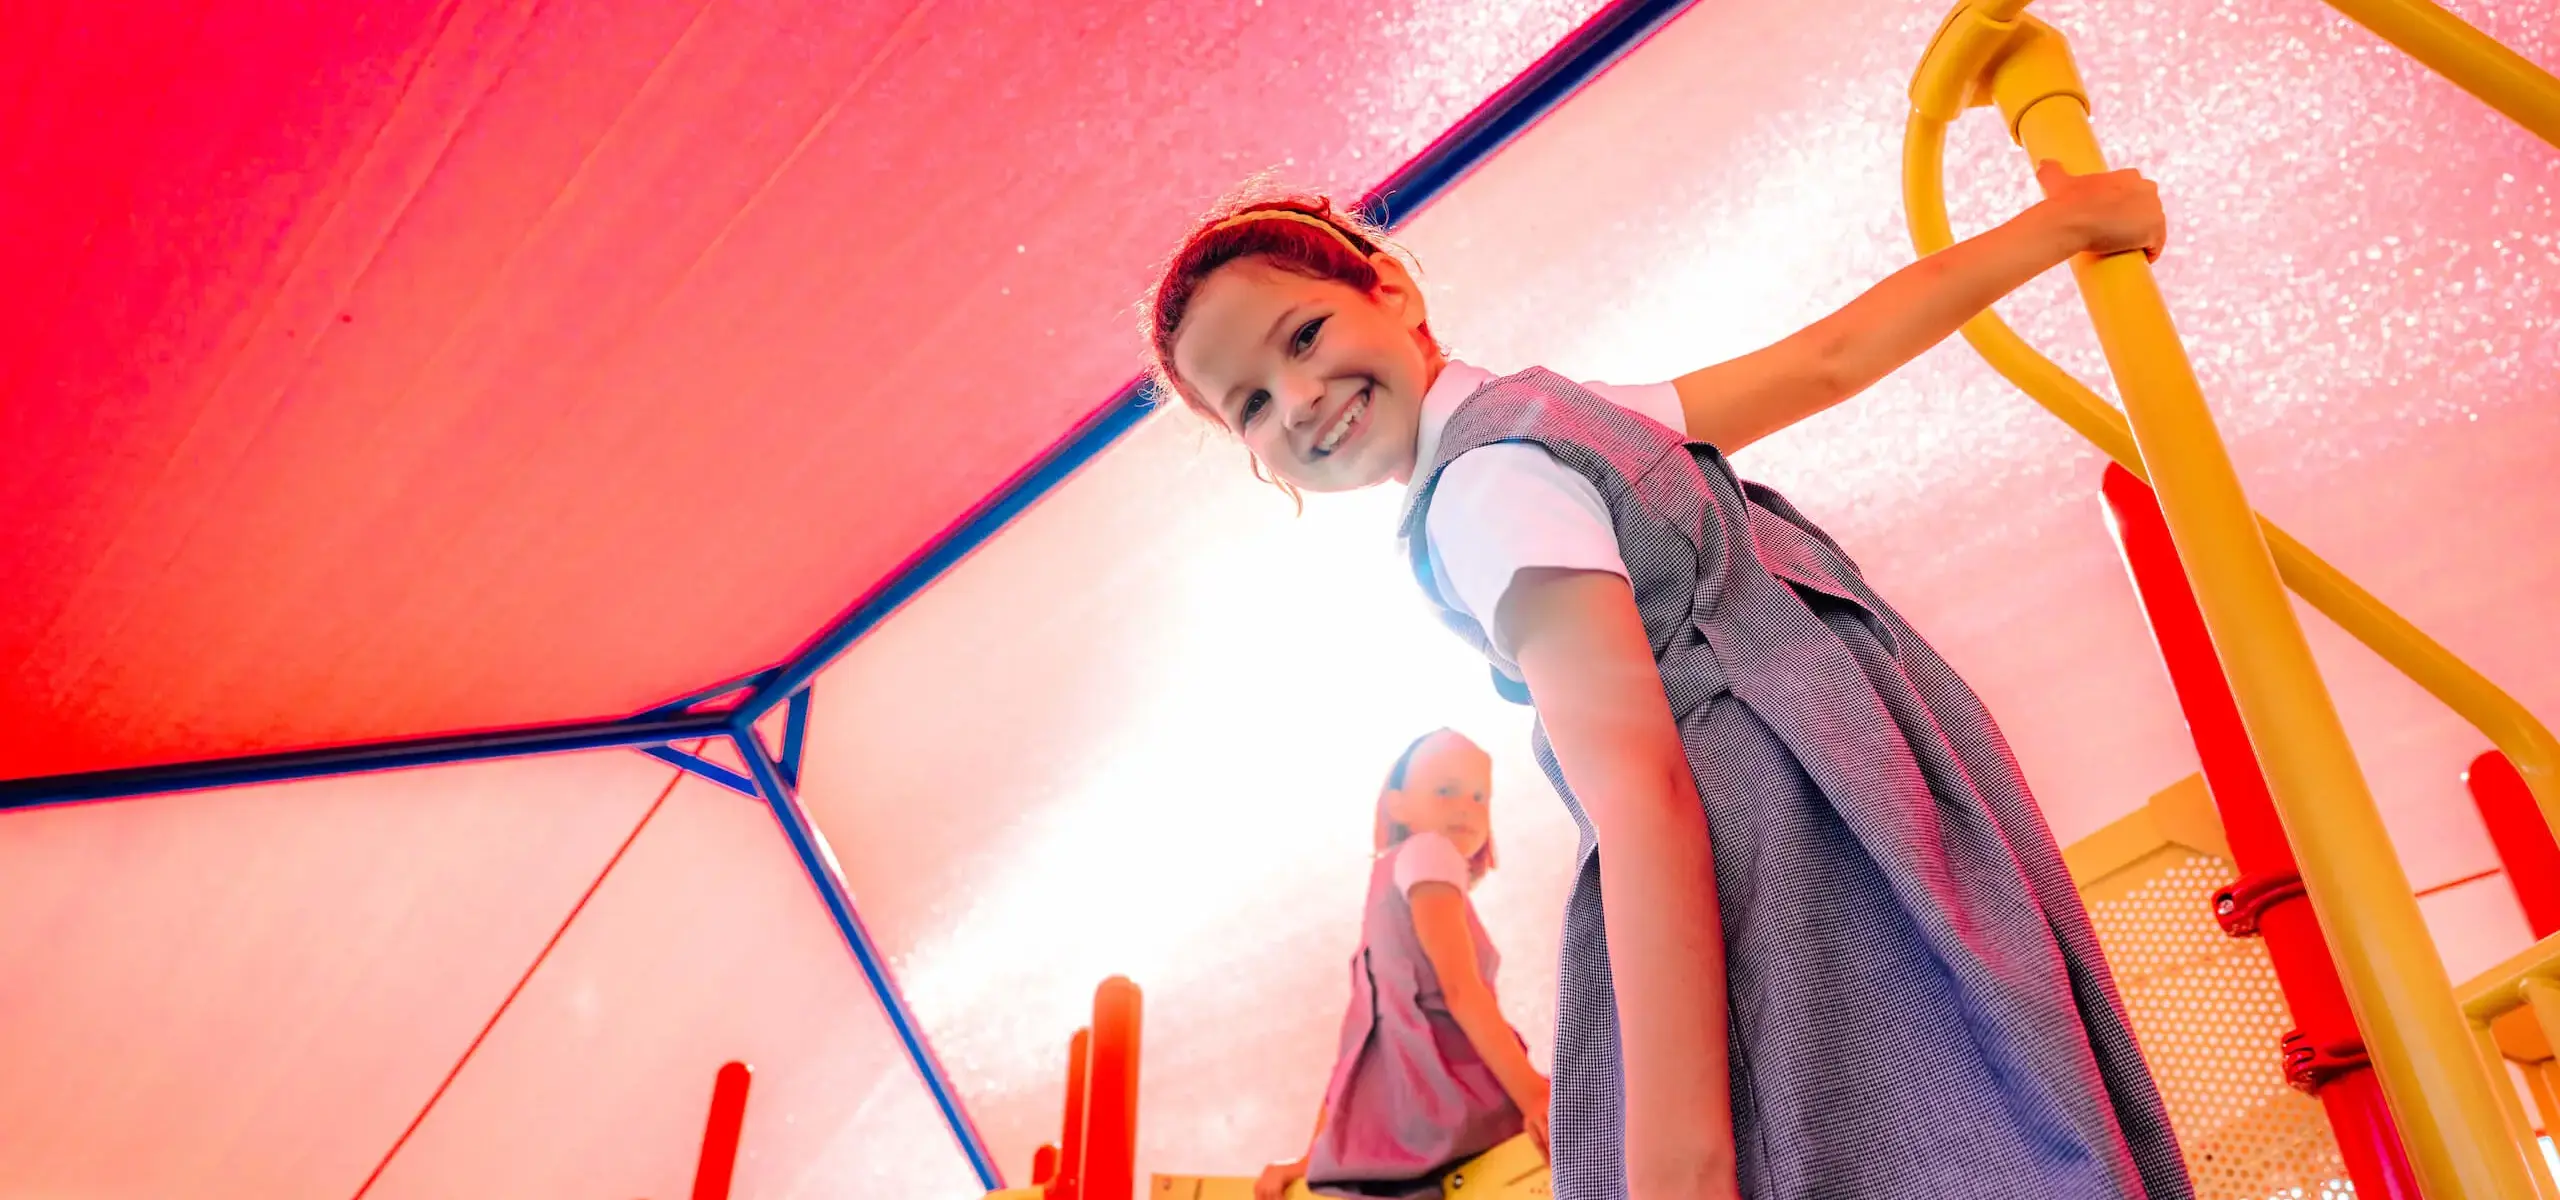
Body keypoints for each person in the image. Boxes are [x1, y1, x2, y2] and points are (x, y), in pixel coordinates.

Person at [1148, 162, 2193, 1200]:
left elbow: (1641, 795)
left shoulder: (1482, 489)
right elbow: (1830, 359)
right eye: (1247, 403)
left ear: (1391, 289)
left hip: (1772, 871)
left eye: (1302, 335)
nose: (1295, 399)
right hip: (1869, 815)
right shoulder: (1561, 416)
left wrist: (1678, 1166)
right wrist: (2061, 226)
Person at [1257, 729, 1548, 1200]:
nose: (1466, 807)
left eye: (1480, 796)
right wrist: (1534, 1093)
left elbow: (1360, 1043)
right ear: (1397, 806)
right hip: (1453, 1102)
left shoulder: (1384, 888)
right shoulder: (1429, 851)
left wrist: (1317, 1154)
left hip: (1399, 1127)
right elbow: (1461, 991)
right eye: (1445, 790)